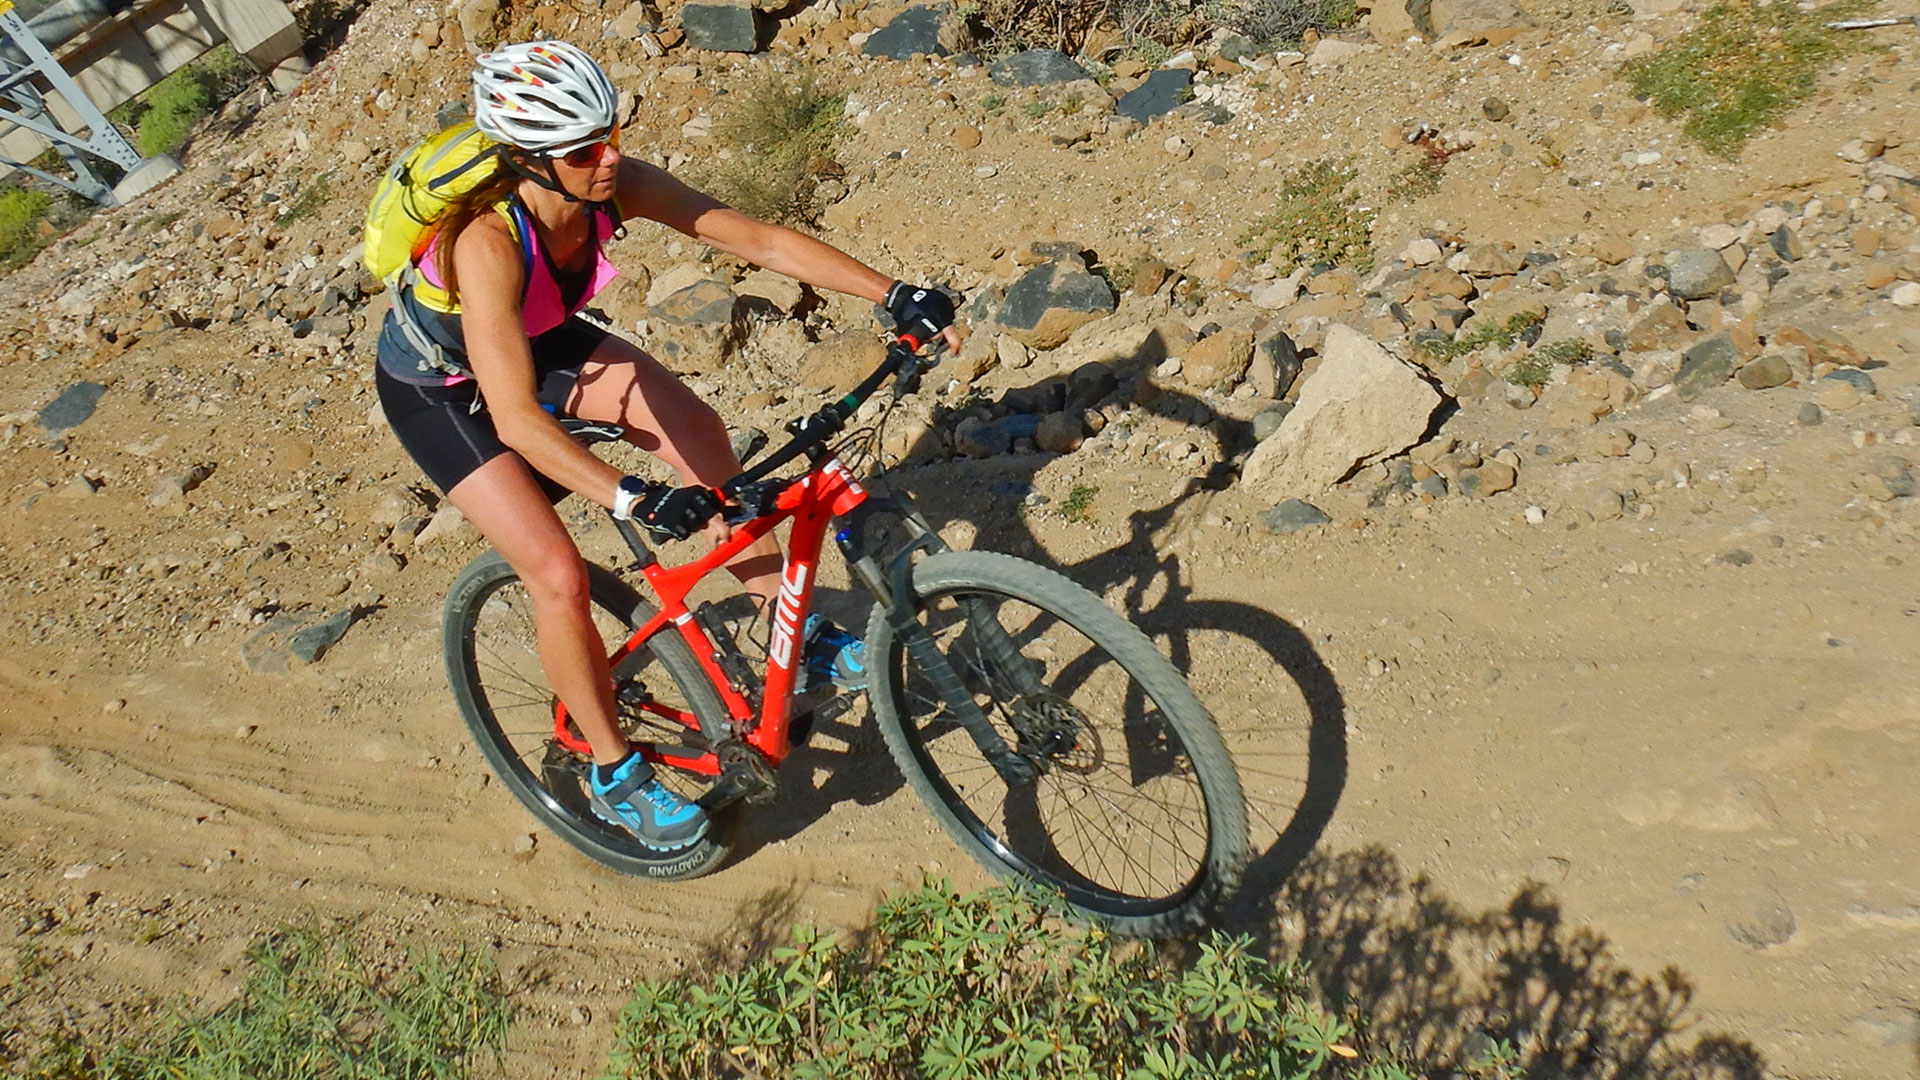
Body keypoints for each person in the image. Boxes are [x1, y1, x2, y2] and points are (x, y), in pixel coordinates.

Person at [373, 40, 959, 851]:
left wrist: (892, 292)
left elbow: (757, 240)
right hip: (443, 391)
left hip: (531, 339)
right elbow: (512, 417)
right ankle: (614, 771)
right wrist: (631, 494)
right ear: (527, 160)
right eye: (584, 150)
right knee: (556, 572)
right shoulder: (488, 241)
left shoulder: (616, 182)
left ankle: (789, 631)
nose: (609, 158)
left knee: (694, 426)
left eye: (612, 133)